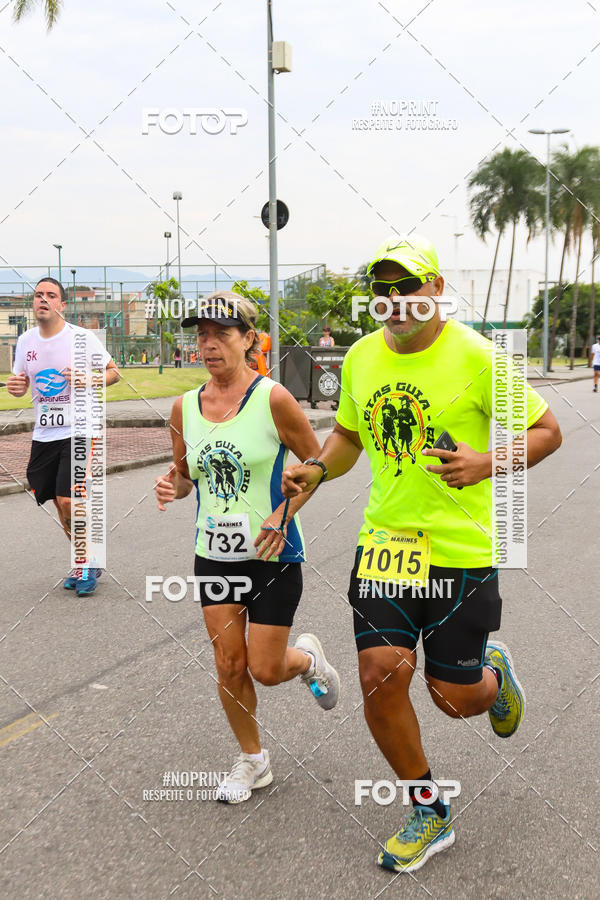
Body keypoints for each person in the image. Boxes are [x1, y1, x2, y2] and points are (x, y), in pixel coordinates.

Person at [282, 235, 562, 873]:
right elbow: (350, 437)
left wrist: (488, 461)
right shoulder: (360, 358)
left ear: (435, 290)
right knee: (379, 680)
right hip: (385, 547)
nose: (395, 301)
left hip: (459, 551)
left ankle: (489, 679)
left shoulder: (477, 357)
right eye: (383, 291)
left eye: (408, 287)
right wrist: (319, 471)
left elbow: (548, 431)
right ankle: (429, 811)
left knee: (452, 698)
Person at [154, 290, 340, 804]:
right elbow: (187, 473)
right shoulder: (184, 406)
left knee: (265, 667)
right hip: (213, 553)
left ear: (249, 340)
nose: (209, 345)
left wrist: (282, 514)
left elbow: (315, 466)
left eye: (222, 334)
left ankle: (305, 660)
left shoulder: (273, 399)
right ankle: (252, 760)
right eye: (202, 336)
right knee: (229, 665)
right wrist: (174, 485)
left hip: (273, 556)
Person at [7, 277, 120, 595]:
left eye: (50, 295)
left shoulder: (81, 338)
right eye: (38, 294)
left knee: (69, 497)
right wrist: (17, 387)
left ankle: (85, 564)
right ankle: (87, 557)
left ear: (62, 304)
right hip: (45, 433)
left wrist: (88, 378)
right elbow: (21, 384)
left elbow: (114, 372)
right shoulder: (26, 341)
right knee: (57, 500)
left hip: (81, 428)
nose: (42, 299)